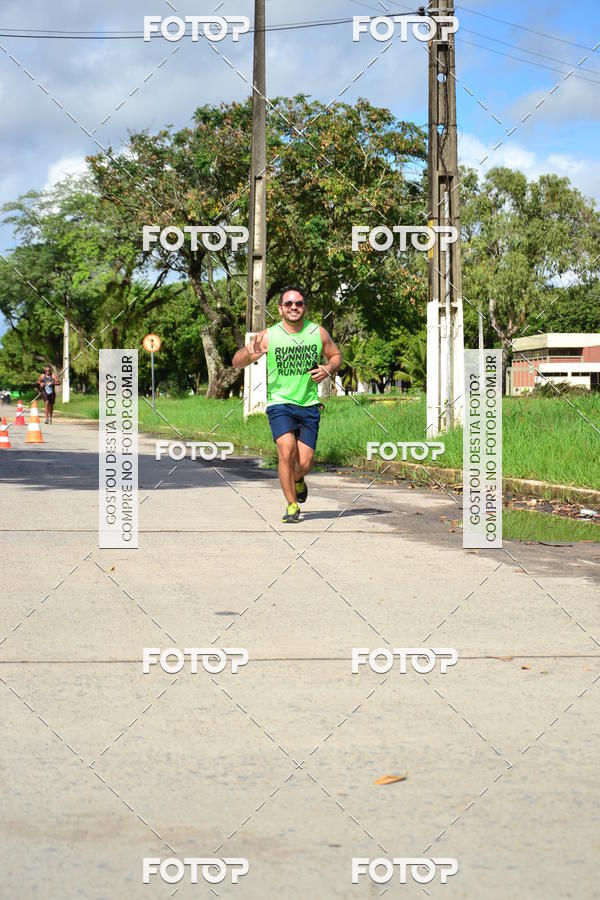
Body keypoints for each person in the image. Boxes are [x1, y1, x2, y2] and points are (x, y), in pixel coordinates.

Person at [233, 286, 342, 523]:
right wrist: (248, 351)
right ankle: (292, 505)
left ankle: (298, 478)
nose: (294, 307)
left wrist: (328, 368)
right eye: (289, 304)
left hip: (309, 404)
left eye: (299, 303)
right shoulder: (269, 336)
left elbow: (336, 356)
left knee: (304, 463)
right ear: (281, 308)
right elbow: (237, 362)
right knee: (286, 450)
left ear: (304, 307)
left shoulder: (318, 333)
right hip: (279, 403)